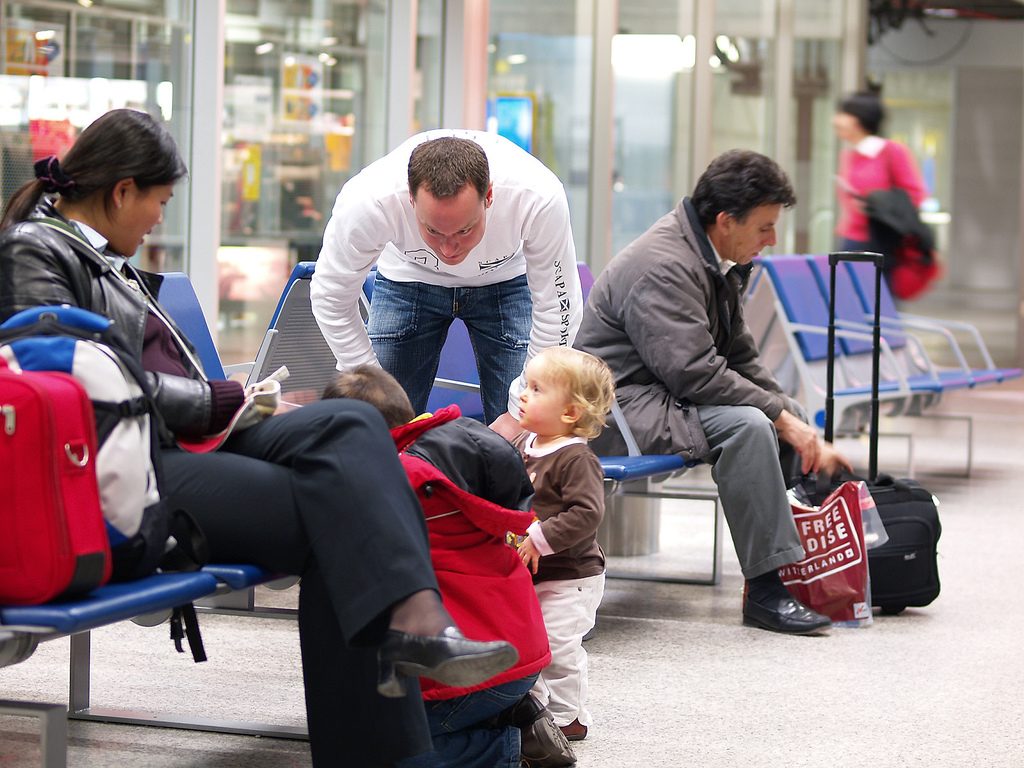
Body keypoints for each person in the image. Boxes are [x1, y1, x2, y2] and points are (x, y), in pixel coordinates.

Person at [0, 108, 519, 768]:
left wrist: (242, 407)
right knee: (347, 518)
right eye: (158, 202)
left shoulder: (102, 256)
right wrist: (224, 400)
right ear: (121, 190)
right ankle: (411, 655)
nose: (159, 219)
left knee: (354, 420)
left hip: (182, 439)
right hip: (128, 462)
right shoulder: (34, 250)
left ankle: (416, 623)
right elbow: (69, 384)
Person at [574, 149, 853, 636]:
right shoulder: (664, 265)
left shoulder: (709, 257)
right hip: (614, 411)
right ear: (726, 220)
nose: (772, 239)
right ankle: (767, 590)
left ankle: (789, 566)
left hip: (658, 397)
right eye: (765, 227)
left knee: (784, 412)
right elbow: (694, 374)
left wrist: (790, 416)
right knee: (749, 426)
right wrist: (777, 419)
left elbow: (740, 358)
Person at [325, 365, 576, 768]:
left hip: (470, 671)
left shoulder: (388, 478)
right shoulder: (457, 450)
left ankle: (501, 749)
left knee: (375, 745)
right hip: (521, 648)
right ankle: (505, 714)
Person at [310, 129, 584, 434]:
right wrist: (370, 384)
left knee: (530, 430)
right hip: (408, 276)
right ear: (410, 200)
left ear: (489, 196)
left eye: (465, 230)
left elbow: (559, 309)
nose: (449, 250)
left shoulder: (537, 196)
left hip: (506, 278)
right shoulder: (368, 202)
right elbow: (330, 297)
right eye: (434, 231)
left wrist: (519, 412)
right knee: (376, 426)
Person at [511, 347, 615, 743]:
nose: (524, 394)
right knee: (528, 644)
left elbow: (587, 513)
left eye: (536, 389)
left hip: (572, 576)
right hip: (533, 574)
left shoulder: (575, 458)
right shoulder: (525, 443)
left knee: (556, 647)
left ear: (569, 412)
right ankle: (534, 712)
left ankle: (569, 716)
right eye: (526, 385)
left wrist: (539, 537)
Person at [833, 90, 931, 289]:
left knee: (879, 303)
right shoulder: (849, 154)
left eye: (843, 113)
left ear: (858, 119)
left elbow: (915, 195)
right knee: (847, 303)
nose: (836, 119)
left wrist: (877, 204)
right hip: (851, 239)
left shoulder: (891, 151)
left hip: (879, 242)